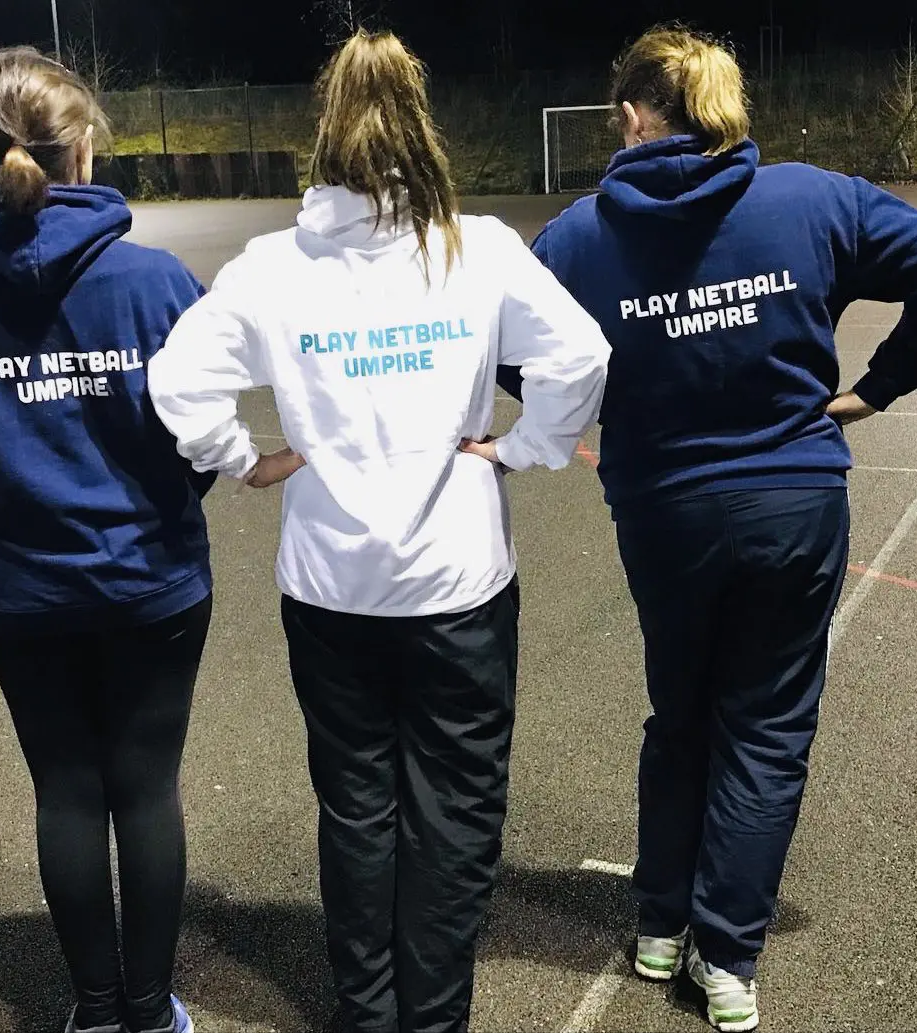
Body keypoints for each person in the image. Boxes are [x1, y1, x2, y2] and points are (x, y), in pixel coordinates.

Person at [517, 25, 917, 1033]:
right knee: (767, 728)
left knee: (679, 711)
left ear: (638, 115)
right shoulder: (818, 199)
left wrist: (614, 384)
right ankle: (727, 955)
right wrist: (872, 392)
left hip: (664, 512)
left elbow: (514, 358)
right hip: (792, 502)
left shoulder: (580, 235)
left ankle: (658, 922)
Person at [147, 29, 609, 1033]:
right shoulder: (474, 249)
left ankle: (368, 1012)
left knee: (357, 806)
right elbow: (581, 355)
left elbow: (177, 382)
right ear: (421, 125)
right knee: (455, 811)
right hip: (458, 583)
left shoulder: (275, 267)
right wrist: (526, 449)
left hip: (329, 586)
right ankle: (433, 1015)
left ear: (328, 132)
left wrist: (242, 460)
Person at [0, 46, 215, 1033]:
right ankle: (148, 1009)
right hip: (151, 579)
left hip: (20, 586)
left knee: (68, 789)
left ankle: (93, 1008)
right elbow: (196, 448)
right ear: (84, 149)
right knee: (145, 786)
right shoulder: (156, 281)